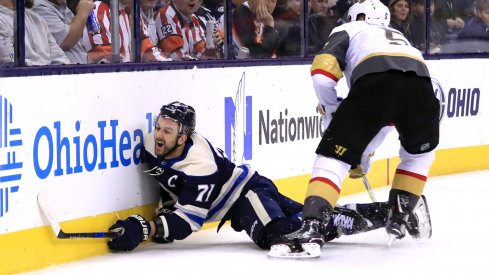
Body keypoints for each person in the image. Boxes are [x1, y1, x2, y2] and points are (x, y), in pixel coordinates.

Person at [106, 101, 432, 253]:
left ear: (183, 137)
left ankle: (373, 216)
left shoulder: (199, 166)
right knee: (307, 220)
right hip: (249, 189)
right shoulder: (153, 143)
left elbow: (189, 222)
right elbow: (161, 174)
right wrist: (160, 212)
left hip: (247, 194)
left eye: (168, 130)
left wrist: (147, 228)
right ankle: (394, 211)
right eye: (159, 126)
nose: (159, 134)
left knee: (280, 236)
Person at [273, 0, 439, 256]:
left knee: (331, 158)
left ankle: (312, 226)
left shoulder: (351, 29)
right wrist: (362, 155)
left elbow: (322, 75)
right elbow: (384, 119)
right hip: (422, 87)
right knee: (419, 155)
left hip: (375, 83)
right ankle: (400, 215)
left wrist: (331, 109)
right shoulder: (400, 38)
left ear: (356, 16)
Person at [88, 0, 170, 63]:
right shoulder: (98, 10)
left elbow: (147, 49)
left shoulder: (133, 10)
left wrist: (170, 64)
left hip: (128, 76)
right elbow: (105, 56)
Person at [0, 0, 70, 66]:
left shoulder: (37, 18)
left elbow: (61, 59)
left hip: (49, 76)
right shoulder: (2, 19)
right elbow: (9, 62)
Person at [154, 0, 222, 60]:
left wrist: (210, 50)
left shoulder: (194, 19)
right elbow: (177, 57)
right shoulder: (166, 14)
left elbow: (200, 54)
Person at [32, 0, 94, 64]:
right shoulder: (40, 7)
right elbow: (66, 42)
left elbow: (75, 52)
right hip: (61, 72)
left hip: (78, 70)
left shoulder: (63, 7)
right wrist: (83, 12)